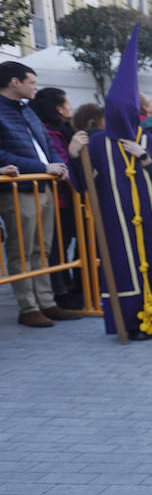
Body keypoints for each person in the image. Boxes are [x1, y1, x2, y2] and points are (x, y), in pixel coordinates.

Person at [69, 32, 152, 338]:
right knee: (123, 269)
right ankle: (131, 323)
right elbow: (85, 185)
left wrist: (145, 160)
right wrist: (73, 157)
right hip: (116, 223)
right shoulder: (96, 145)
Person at [0, 61, 82, 326]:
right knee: (22, 249)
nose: (35, 87)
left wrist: (59, 166)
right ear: (15, 82)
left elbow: (47, 142)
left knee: (42, 248)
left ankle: (46, 301)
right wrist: (43, 167)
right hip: (19, 188)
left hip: (42, 184)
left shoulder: (27, 110)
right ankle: (28, 306)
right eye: (31, 81)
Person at [31, 85, 89, 309]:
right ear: (58, 108)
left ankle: (75, 286)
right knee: (57, 248)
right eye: (67, 103)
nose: (71, 108)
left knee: (73, 245)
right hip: (58, 200)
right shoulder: (49, 133)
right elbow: (62, 162)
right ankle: (61, 293)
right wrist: (73, 154)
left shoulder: (63, 130)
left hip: (70, 198)